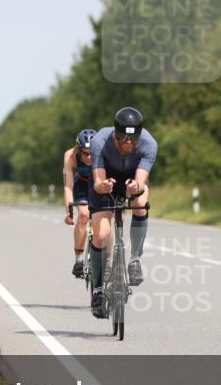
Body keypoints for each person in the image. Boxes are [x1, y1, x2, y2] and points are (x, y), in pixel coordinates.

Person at [87, 107, 157, 318]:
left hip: (131, 179)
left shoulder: (149, 144)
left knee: (141, 201)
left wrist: (135, 188)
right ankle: (98, 291)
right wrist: (103, 186)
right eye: (122, 140)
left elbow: (140, 181)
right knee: (100, 234)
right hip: (105, 182)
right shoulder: (100, 141)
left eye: (132, 141)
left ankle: (135, 260)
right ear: (115, 135)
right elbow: (98, 182)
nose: (127, 145)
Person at [63, 128, 95, 278]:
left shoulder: (104, 153)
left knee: (108, 216)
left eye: (92, 153)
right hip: (81, 185)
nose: (89, 157)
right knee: (84, 215)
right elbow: (68, 186)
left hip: (99, 184)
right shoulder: (70, 156)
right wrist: (69, 211)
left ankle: (108, 260)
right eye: (85, 153)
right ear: (78, 150)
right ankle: (79, 260)